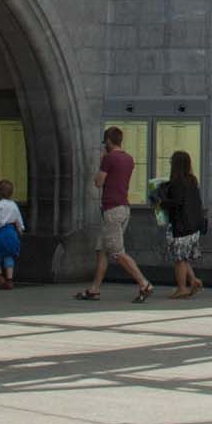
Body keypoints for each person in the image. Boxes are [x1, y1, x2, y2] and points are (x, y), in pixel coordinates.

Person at [75, 126, 153, 303]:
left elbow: (98, 182)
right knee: (102, 250)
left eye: (105, 142)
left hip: (112, 210)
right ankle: (94, 290)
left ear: (109, 141)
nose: (105, 145)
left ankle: (144, 284)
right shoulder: (129, 159)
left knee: (117, 252)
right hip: (123, 208)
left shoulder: (109, 158)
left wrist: (102, 161)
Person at [157, 150, 207, 298]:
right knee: (183, 257)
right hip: (193, 226)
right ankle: (194, 281)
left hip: (181, 226)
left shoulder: (177, 183)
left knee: (178, 259)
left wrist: (161, 202)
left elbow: (176, 203)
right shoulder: (192, 180)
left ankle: (182, 288)